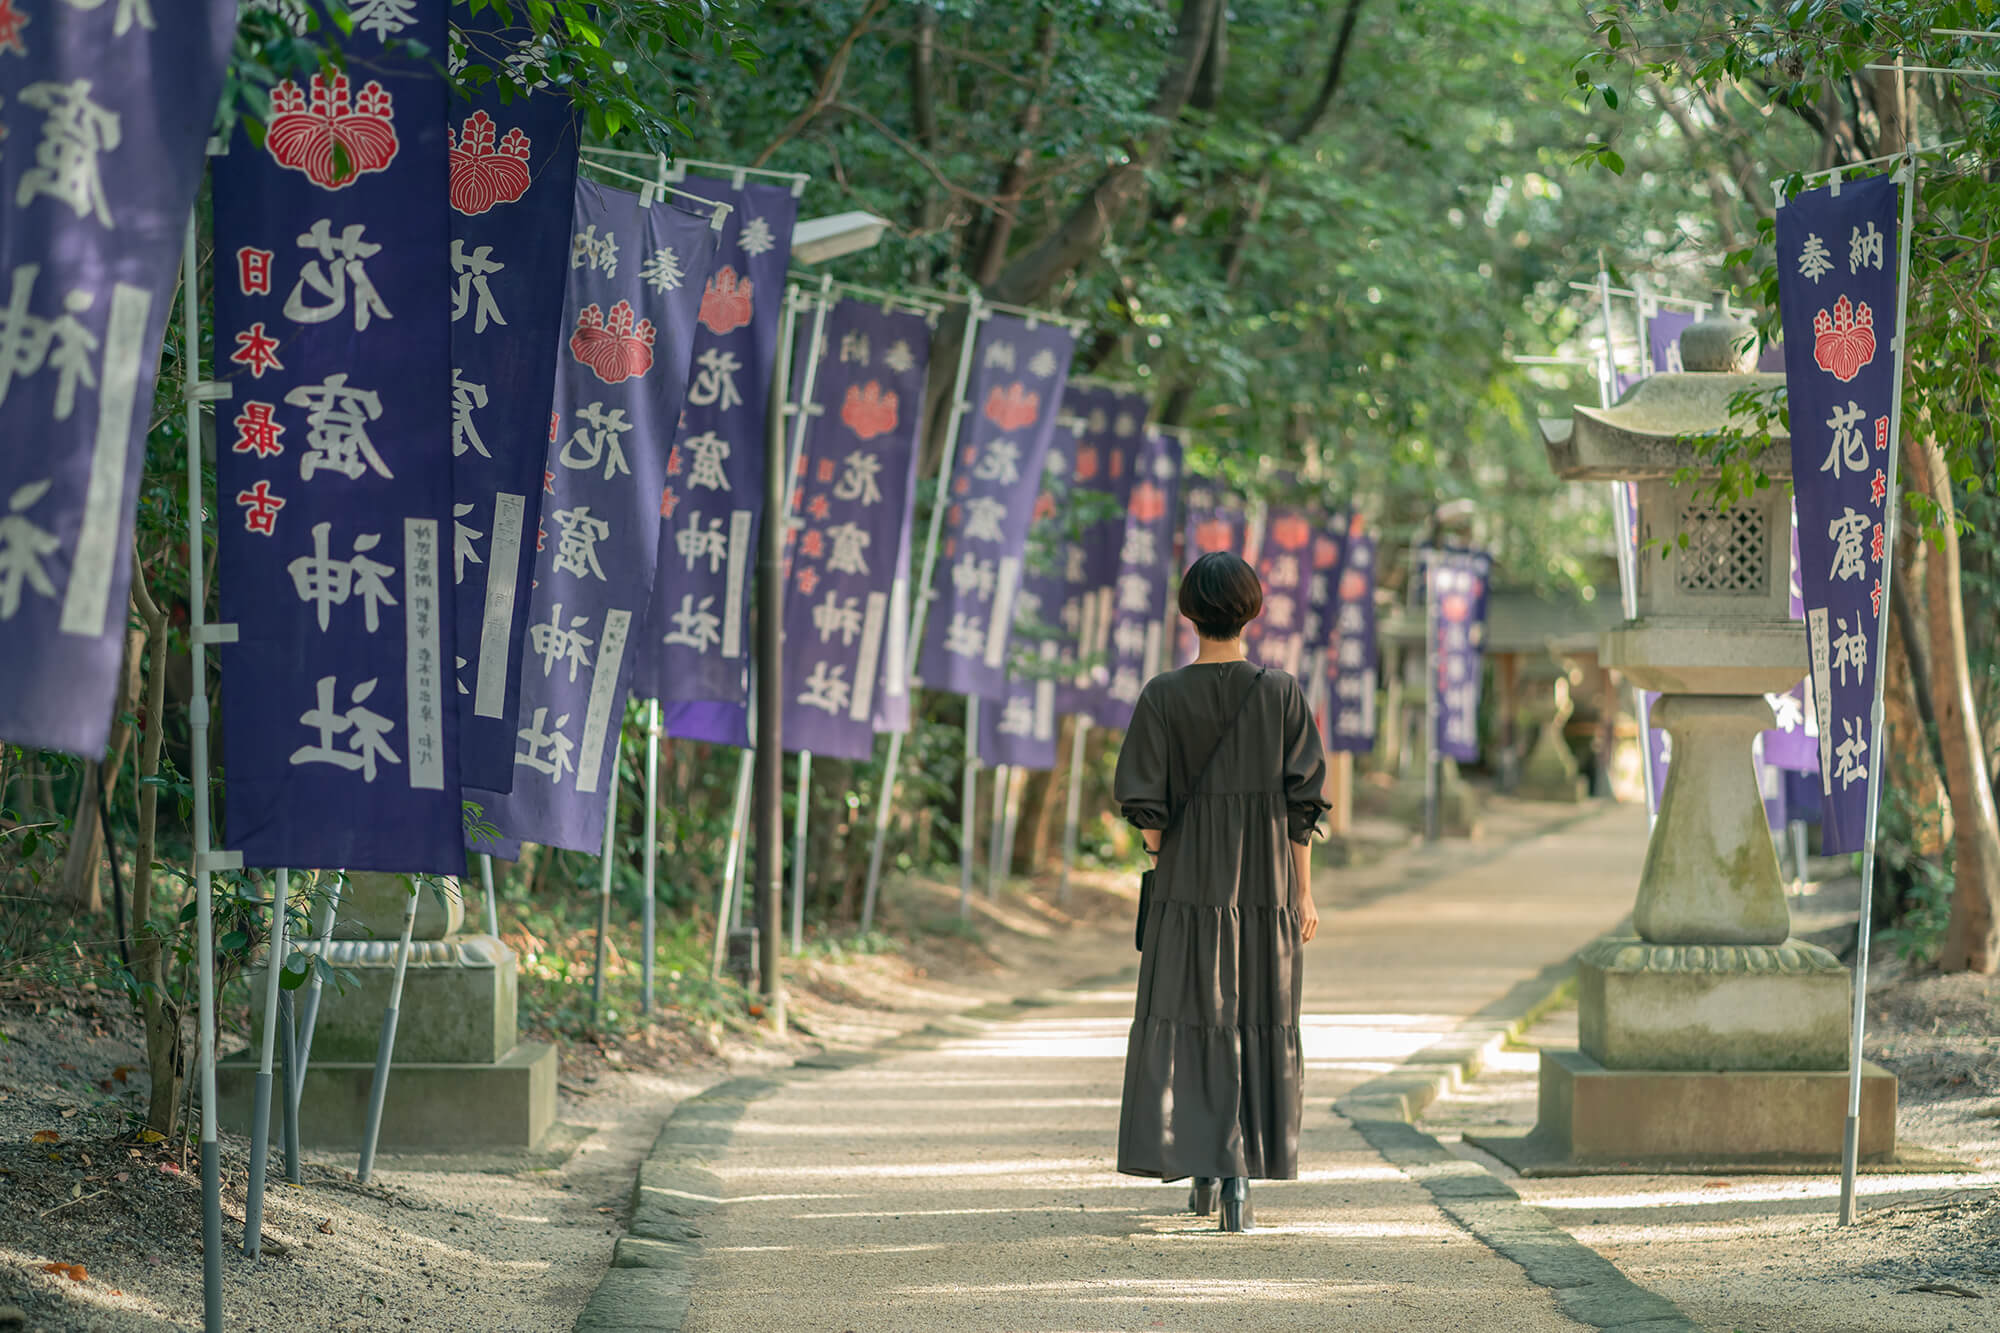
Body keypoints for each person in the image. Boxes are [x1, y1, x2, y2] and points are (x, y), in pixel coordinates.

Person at [1111, 550, 1328, 1233]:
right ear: (1253, 608)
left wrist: (1164, 858)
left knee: (1193, 1011)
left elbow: (1144, 803)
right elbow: (1304, 807)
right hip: (1262, 886)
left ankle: (1205, 1161)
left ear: (1189, 611)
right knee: (1254, 1011)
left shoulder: (1162, 695)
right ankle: (1238, 1177)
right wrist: (1303, 893)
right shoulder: (1282, 694)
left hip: (1186, 884)